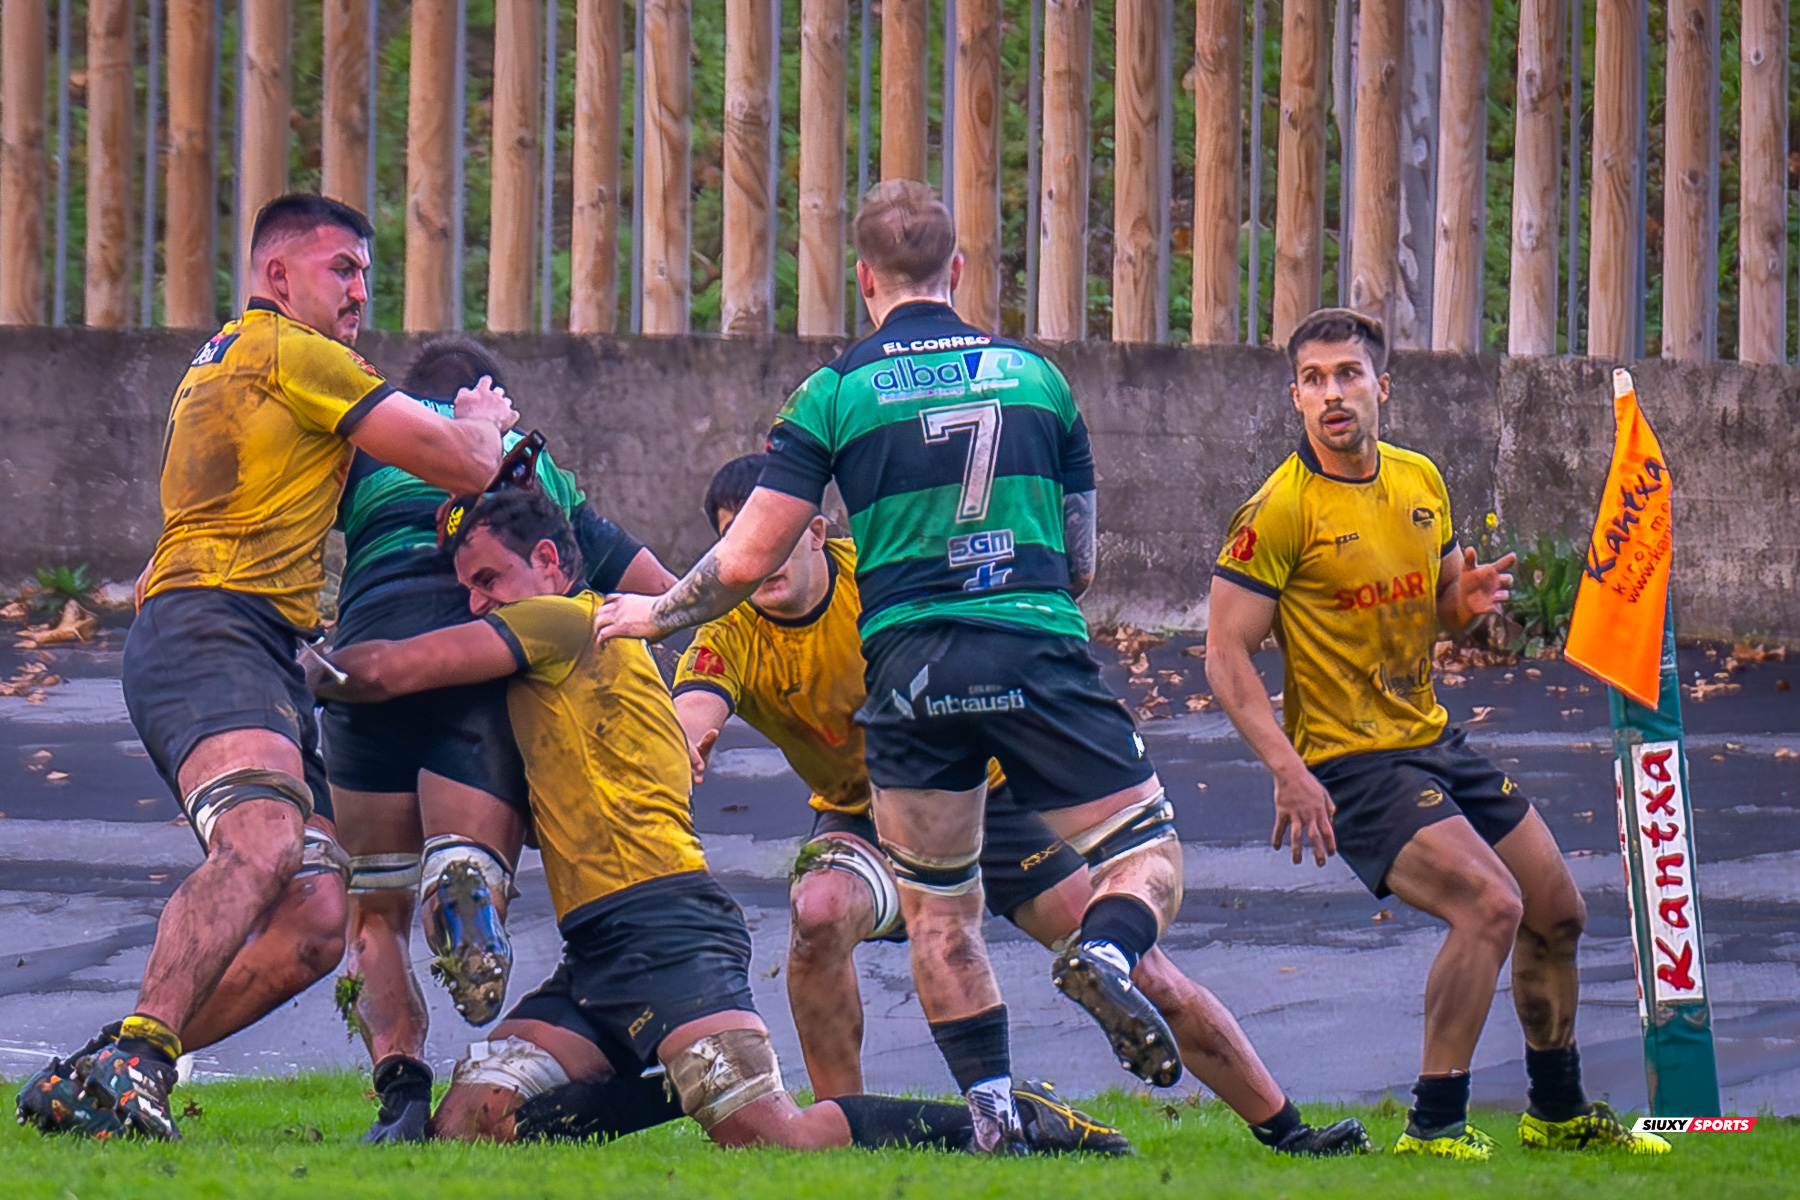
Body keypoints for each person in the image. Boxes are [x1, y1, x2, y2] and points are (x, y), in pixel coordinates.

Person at [595, 181, 1192, 1152]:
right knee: (1145, 851)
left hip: (909, 674)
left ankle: (991, 1117)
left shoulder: (833, 392)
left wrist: (651, 614)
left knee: (940, 913)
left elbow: (746, 557)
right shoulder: (1036, 377)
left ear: (863, 278)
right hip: (1029, 644)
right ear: (957, 269)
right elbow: (1081, 560)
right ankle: (1110, 954)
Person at [309, 490, 1127, 1155]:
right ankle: (677, 1083)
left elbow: (382, 671)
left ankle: (1008, 1124)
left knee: (775, 1137)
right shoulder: (575, 644)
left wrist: (286, 660)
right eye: (468, 589)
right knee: (472, 1118)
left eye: (489, 579)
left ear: (550, 563)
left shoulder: (561, 622)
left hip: (669, 928)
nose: (477, 602)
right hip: (598, 949)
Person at [658, 454, 1366, 1155]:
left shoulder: (879, 573)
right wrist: (683, 743)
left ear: (815, 530)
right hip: (865, 816)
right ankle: (850, 1132)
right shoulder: (728, 630)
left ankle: (1288, 1130)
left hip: (985, 794)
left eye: (772, 535)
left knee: (1132, 970)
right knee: (818, 911)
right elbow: (693, 707)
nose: (758, 558)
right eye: (736, 542)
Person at [15, 194, 520, 1142]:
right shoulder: (296, 352)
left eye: (366, 273)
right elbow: (466, 466)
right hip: (213, 629)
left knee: (319, 920)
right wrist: (482, 417)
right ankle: (134, 1062)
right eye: (342, 269)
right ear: (277, 275)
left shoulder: (230, 359)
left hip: (253, 643)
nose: (360, 290)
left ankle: (107, 1067)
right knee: (259, 840)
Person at [1203, 307, 1671, 1161]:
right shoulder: (1278, 510)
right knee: (1491, 904)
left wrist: (1466, 603)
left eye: (1348, 374)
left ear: (1382, 386)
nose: (1332, 394)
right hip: (1349, 763)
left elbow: (1443, 604)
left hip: (1429, 739)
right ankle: (1433, 1126)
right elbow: (1224, 653)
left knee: (1557, 912)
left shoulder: (1419, 479)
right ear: (1295, 397)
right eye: (1313, 380)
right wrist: (1287, 769)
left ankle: (1557, 1113)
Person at [323, 335, 676, 1142]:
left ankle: (400, 1093)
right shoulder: (529, 462)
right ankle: (467, 875)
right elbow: (658, 588)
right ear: (496, 399)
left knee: (375, 910)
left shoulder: (373, 446)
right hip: (475, 649)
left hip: (368, 654)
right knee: (464, 852)